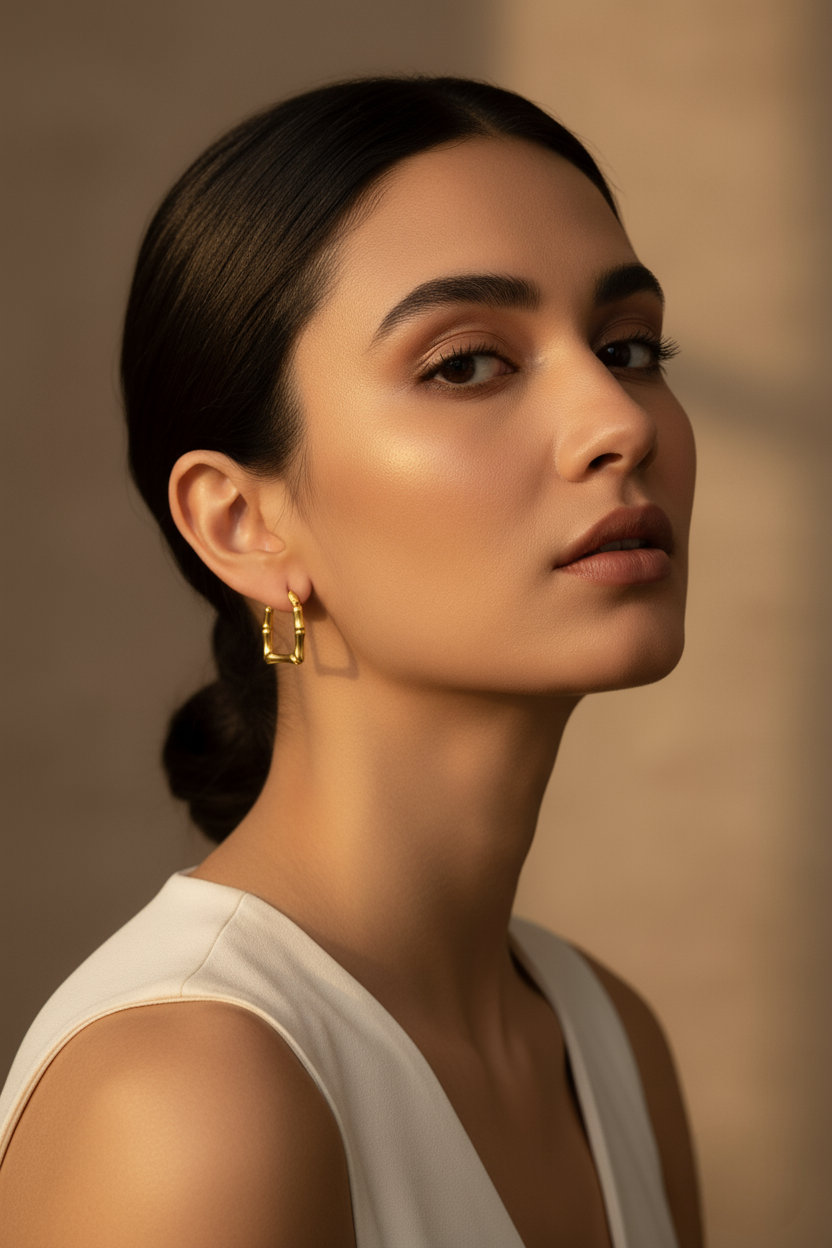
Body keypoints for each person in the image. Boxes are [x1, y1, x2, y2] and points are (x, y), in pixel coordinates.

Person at [0, 76, 701, 1247]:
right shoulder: (186, 1100)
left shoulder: (609, 1041)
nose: (618, 423)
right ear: (242, 524)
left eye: (628, 346)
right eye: (467, 363)